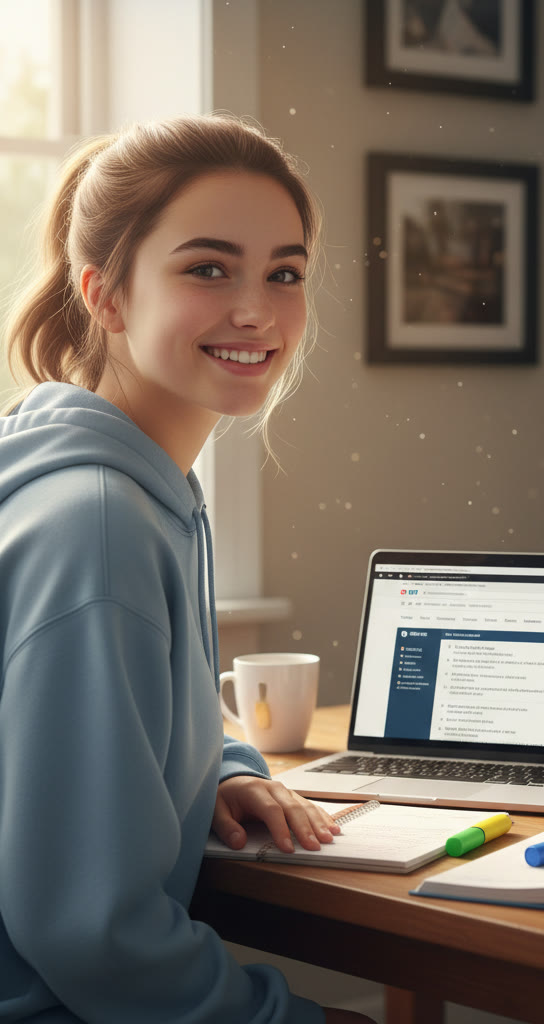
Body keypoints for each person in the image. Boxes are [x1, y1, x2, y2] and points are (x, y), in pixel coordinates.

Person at [0, 115, 372, 1023]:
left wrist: (229, 766)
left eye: (283, 273)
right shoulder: (97, 523)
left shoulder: (123, 480)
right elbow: (94, 932)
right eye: (208, 268)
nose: (256, 310)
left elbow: (138, 703)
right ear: (106, 295)